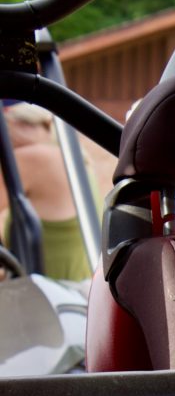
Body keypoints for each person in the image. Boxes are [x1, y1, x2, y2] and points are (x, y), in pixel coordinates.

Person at [0, 102, 100, 282]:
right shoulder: (75, 158)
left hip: (51, 296)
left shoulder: (33, 158)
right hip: (80, 292)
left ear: (19, 124)